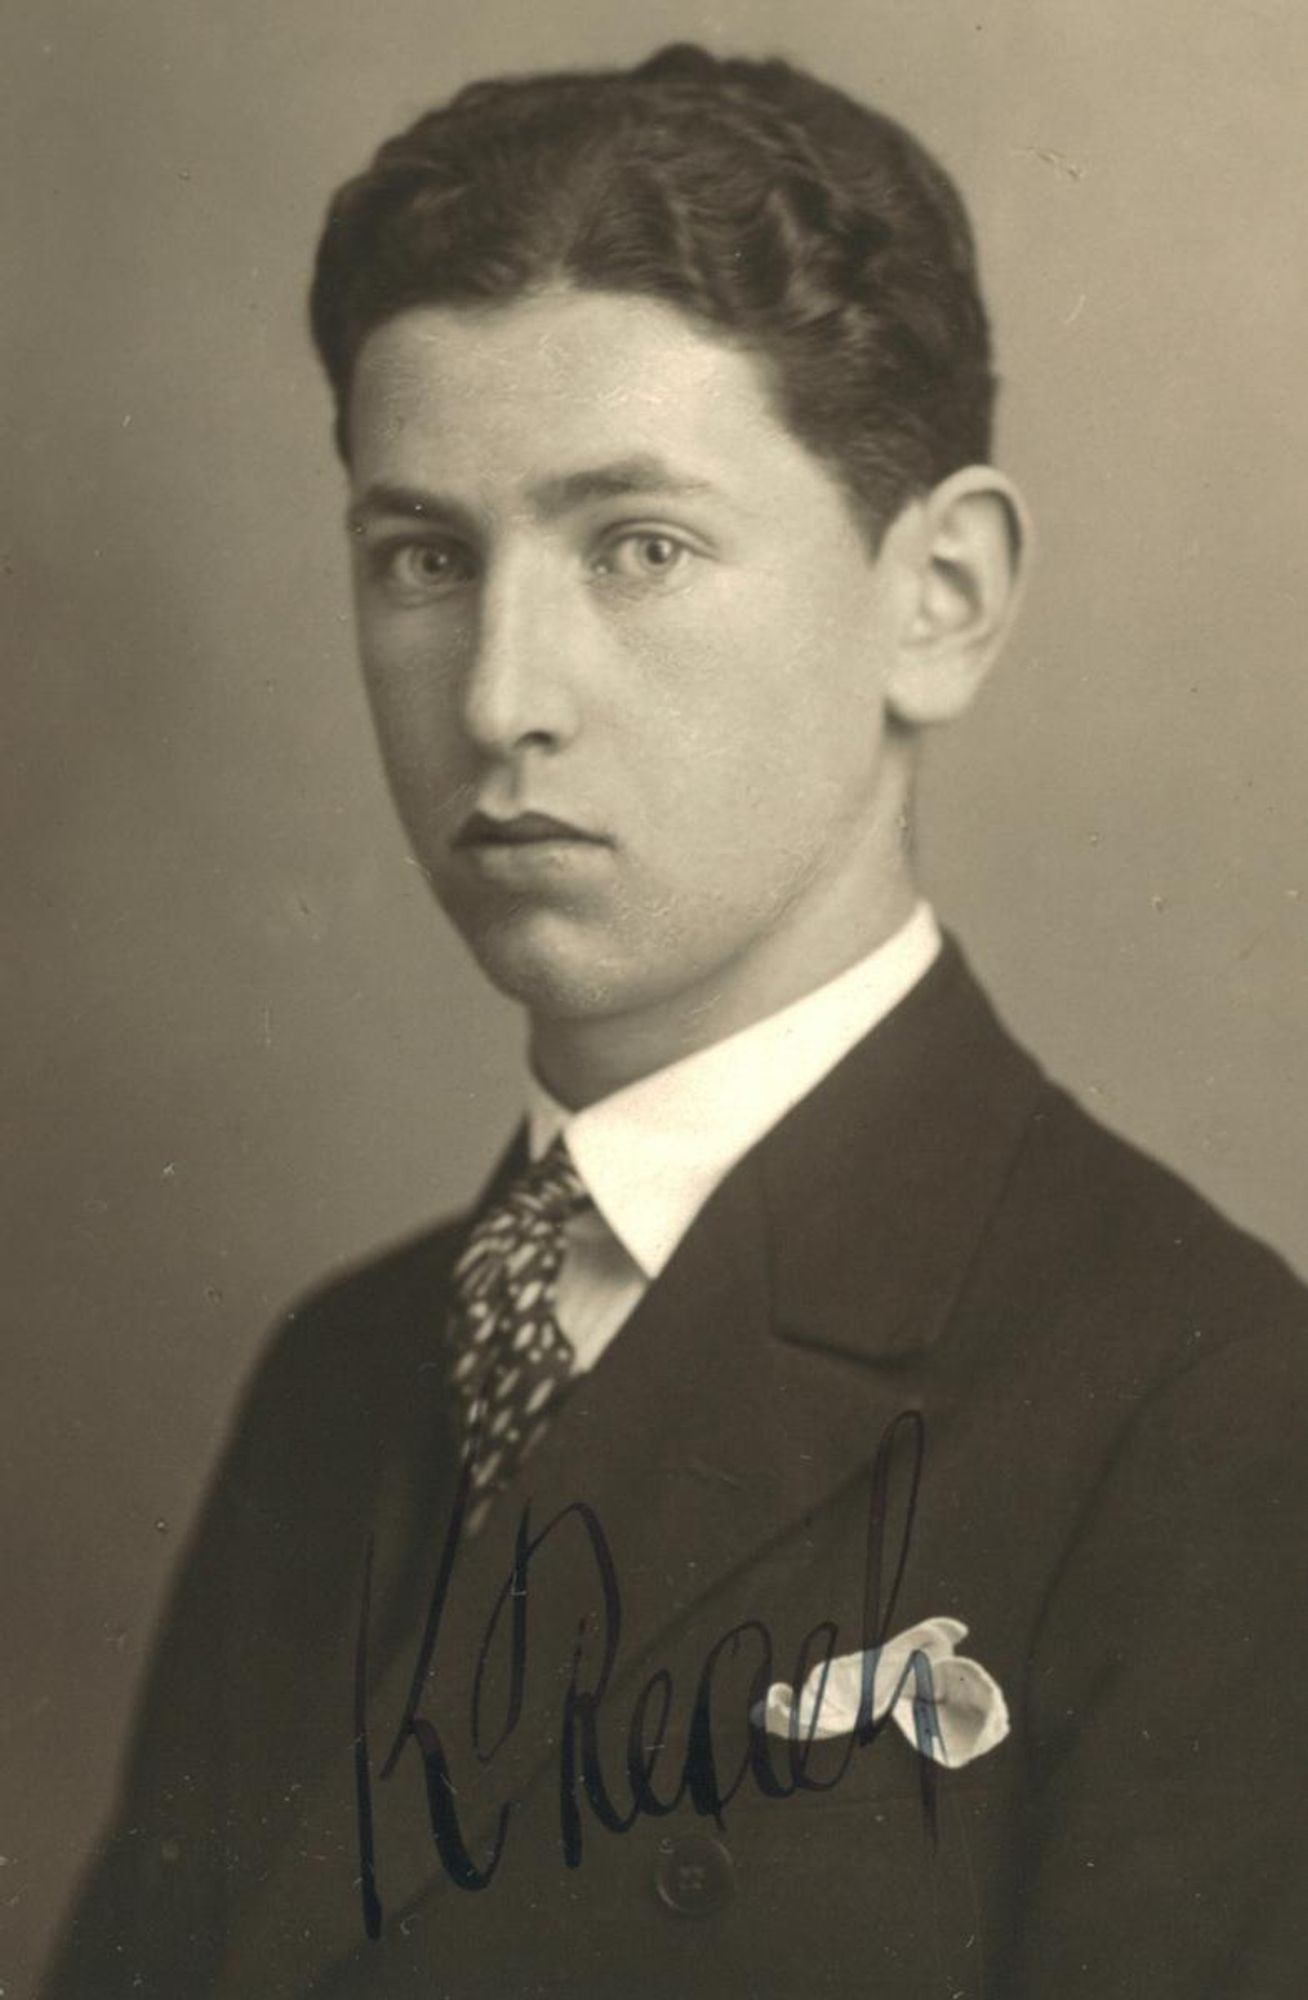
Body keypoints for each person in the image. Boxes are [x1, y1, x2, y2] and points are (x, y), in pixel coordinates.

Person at [44, 42, 1308, 1999]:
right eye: (424, 559)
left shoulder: (1211, 1415)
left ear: (940, 600)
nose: (497, 699)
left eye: (638, 546)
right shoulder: (344, 1377)